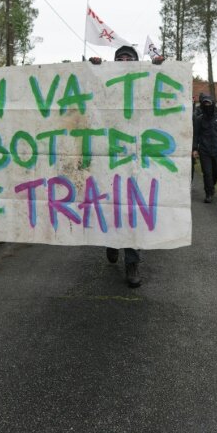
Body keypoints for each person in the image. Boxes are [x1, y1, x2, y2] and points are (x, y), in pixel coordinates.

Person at [91, 45, 163, 287]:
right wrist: (94, 70)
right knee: (111, 206)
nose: (123, 61)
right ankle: (112, 242)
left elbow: (162, 97)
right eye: (119, 58)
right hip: (108, 159)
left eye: (128, 58)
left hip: (136, 161)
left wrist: (160, 69)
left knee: (132, 210)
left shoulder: (144, 85)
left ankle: (132, 262)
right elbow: (88, 99)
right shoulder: (106, 87)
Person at [192, 94, 217, 203]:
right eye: (205, 104)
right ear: (203, 106)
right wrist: (195, 149)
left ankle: (211, 185)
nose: (207, 106)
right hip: (204, 151)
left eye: (209, 103)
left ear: (212, 104)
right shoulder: (199, 120)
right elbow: (196, 135)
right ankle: (208, 193)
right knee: (207, 173)